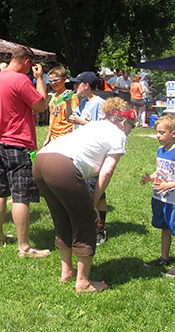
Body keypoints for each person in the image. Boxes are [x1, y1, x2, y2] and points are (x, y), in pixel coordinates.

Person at [34, 97, 135, 292]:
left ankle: (67, 271)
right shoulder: (118, 135)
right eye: (132, 126)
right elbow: (107, 171)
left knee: (61, 216)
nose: (131, 131)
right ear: (124, 122)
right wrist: (94, 203)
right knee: (87, 220)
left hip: (41, 160)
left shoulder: (94, 125)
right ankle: (83, 282)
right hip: (62, 166)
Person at [0, 46, 48, 257]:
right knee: (21, 196)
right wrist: (39, 79)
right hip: (19, 144)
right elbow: (41, 105)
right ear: (28, 62)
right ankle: (24, 247)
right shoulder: (21, 80)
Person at [141, 115, 175, 277]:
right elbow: (162, 171)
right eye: (157, 132)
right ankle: (164, 258)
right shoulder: (160, 150)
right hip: (160, 197)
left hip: (173, 200)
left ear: (174, 133)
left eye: (162, 133)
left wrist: (168, 185)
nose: (158, 136)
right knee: (165, 228)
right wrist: (151, 177)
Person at [68, 71, 108, 245]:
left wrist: (81, 122)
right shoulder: (83, 102)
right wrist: (69, 103)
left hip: (94, 152)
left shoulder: (100, 104)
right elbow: (72, 118)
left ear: (87, 86)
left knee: (94, 191)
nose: (75, 87)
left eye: (78, 84)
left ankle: (98, 228)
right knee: (89, 188)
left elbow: (104, 128)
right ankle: (93, 225)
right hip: (81, 150)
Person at [43, 66, 79, 146]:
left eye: (56, 80)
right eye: (51, 81)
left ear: (64, 79)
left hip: (65, 136)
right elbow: (53, 118)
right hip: (54, 137)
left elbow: (74, 118)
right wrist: (48, 138)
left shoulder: (71, 97)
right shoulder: (54, 96)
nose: (53, 83)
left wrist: (74, 138)